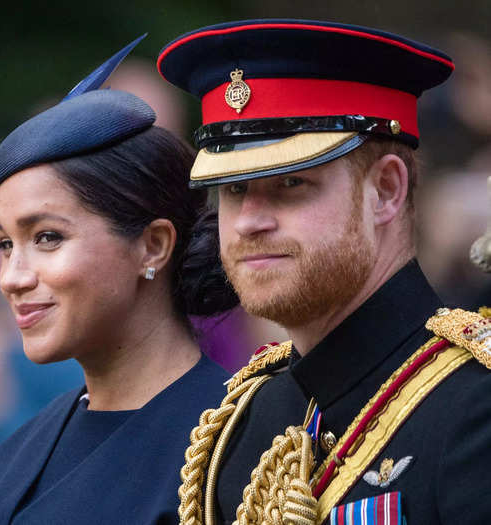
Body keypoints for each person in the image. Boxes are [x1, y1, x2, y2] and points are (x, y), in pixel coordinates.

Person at [0, 36, 239, 524]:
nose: (12, 278)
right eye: (4, 245)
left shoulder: (239, 446)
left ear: (152, 245)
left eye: (47, 237)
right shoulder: (2, 464)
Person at [157, 19, 491, 525]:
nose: (249, 222)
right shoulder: (247, 421)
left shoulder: (475, 408)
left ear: (386, 191)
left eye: (290, 183)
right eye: (233, 189)